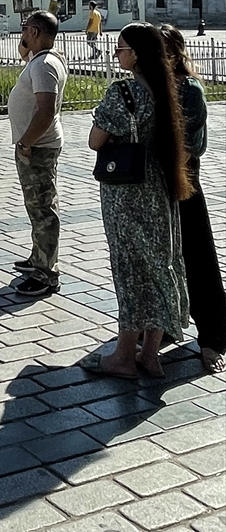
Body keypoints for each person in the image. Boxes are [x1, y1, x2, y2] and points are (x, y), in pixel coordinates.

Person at [83, 22, 192, 380]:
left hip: (127, 192)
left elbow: (96, 140)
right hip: (160, 188)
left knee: (129, 268)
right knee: (160, 265)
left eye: (121, 49)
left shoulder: (124, 92)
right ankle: (151, 354)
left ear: (137, 54)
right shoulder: (167, 91)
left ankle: (123, 356)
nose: (117, 54)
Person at [161, 25, 226, 374]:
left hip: (185, 183)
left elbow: (191, 144)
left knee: (198, 257)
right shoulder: (146, 86)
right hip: (151, 187)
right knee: (160, 260)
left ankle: (213, 337)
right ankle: (161, 325)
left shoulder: (189, 90)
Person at [8, 10, 68, 297]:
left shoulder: (44, 66)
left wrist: (26, 143)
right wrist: (26, 41)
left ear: (35, 32)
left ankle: (47, 273)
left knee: (43, 208)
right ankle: (38, 258)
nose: (22, 34)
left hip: (38, 146)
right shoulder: (41, 59)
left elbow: (45, 110)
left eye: (26, 29)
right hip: (36, 145)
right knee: (36, 206)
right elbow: (24, 54)